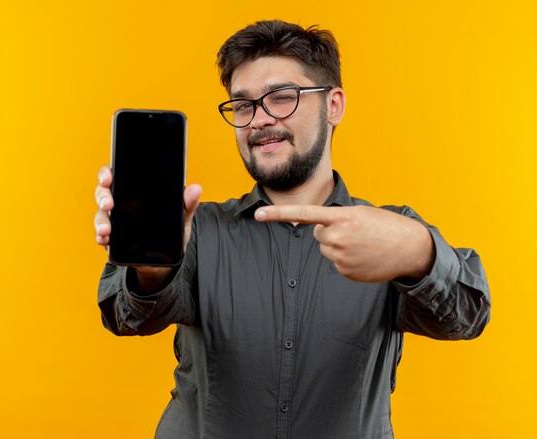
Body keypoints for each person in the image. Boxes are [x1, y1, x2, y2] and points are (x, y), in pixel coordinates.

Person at [94, 20, 490, 439]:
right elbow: (129, 319)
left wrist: (417, 253)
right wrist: (151, 268)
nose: (260, 120)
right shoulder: (197, 230)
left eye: (282, 97)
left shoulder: (389, 233)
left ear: (333, 105)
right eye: (243, 105)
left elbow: (467, 317)